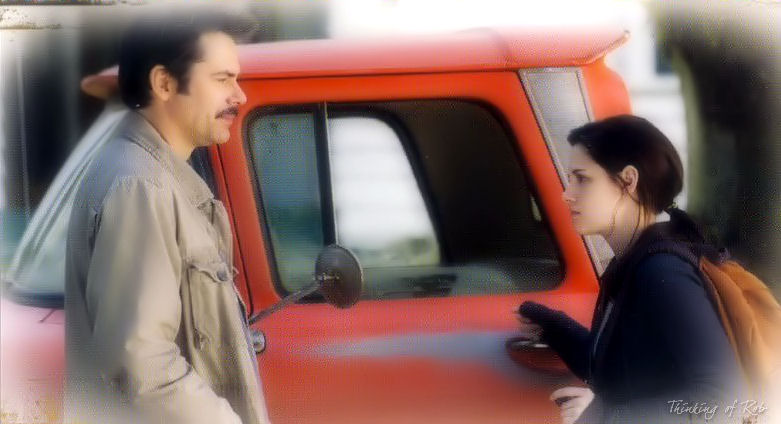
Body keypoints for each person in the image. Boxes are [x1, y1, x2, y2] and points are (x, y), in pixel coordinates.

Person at [64, 15, 270, 424]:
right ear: (163, 84)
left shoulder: (150, 177)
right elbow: (143, 367)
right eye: (222, 79)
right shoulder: (140, 186)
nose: (240, 95)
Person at [517, 115, 746, 424]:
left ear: (628, 181)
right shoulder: (629, 265)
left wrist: (604, 416)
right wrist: (554, 328)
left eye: (582, 179)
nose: (566, 193)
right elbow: (616, 369)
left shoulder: (662, 271)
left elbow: (725, 402)